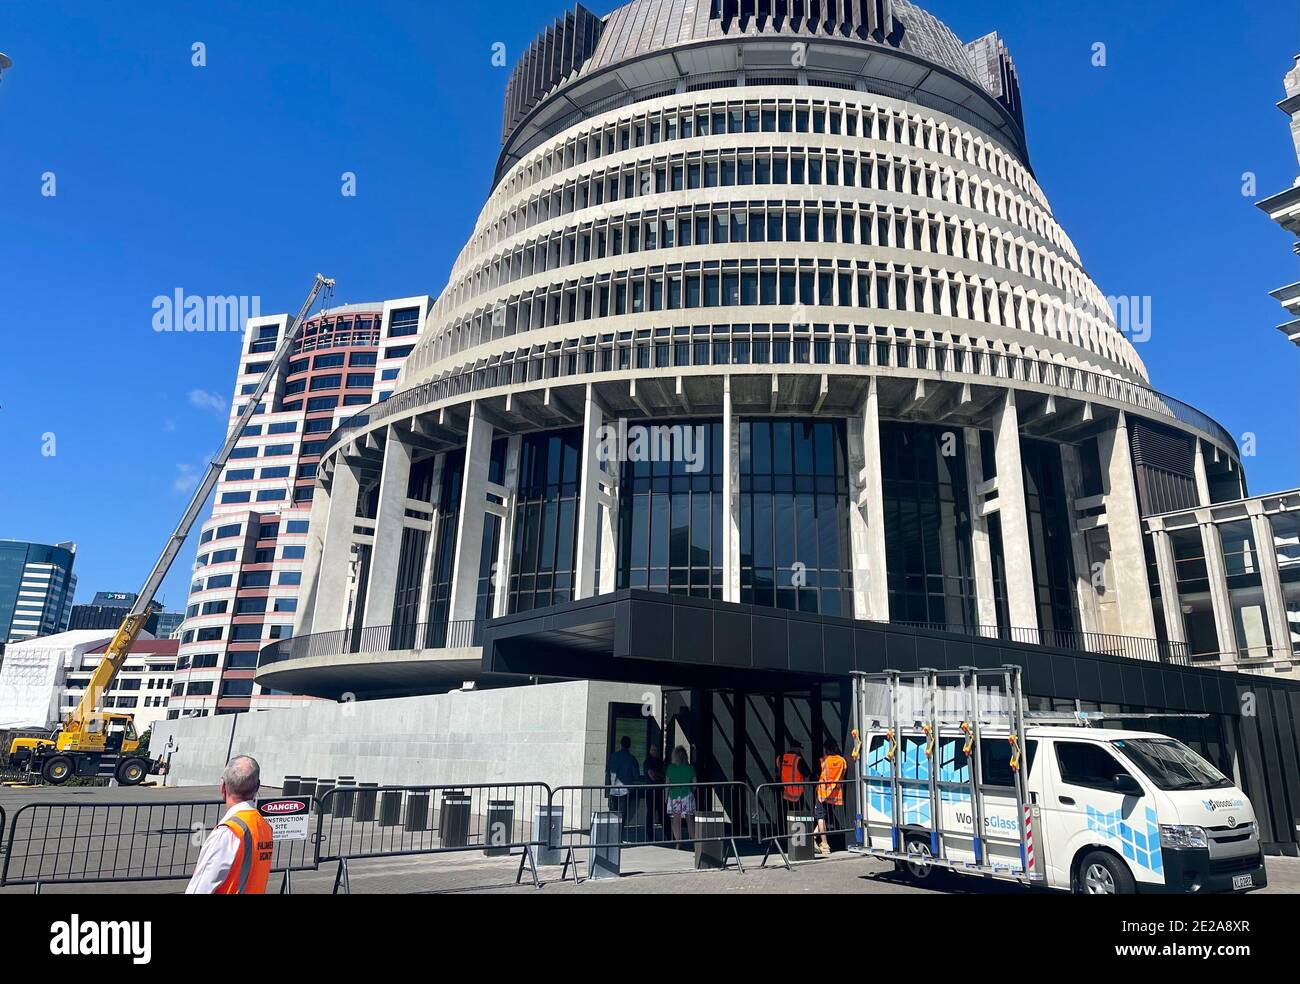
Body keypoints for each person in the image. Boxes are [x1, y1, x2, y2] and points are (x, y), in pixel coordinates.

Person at [186, 755, 274, 894]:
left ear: (223, 786)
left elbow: (200, 889)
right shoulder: (264, 826)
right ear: (257, 786)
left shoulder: (228, 832)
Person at [814, 738, 848, 857]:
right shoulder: (842, 761)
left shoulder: (823, 760)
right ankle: (813, 837)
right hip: (835, 794)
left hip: (823, 793)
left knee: (820, 817)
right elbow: (844, 774)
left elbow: (818, 774)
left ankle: (824, 844)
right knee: (825, 816)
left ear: (826, 749)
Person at [606, 735, 640, 830]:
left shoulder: (613, 756)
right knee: (623, 815)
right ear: (629, 745)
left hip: (613, 790)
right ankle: (619, 836)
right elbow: (636, 775)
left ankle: (612, 836)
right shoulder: (632, 759)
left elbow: (608, 771)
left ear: (621, 744)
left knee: (613, 815)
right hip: (625, 791)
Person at [665, 746, 696, 844]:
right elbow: (695, 784)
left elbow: (667, 784)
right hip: (687, 795)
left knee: (676, 820)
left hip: (674, 796)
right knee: (690, 820)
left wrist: (666, 797)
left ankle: (678, 843)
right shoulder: (690, 768)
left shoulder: (671, 768)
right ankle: (695, 841)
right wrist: (691, 791)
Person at [777, 740, 813, 810]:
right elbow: (807, 774)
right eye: (799, 749)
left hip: (784, 793)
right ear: (796, 748)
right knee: (797, 817)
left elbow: (779, 773)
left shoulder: (780, 758)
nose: (799, 750)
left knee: (786, 815)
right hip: (797, 795)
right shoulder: (798, 760)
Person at [642, 744, 666, 841]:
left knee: (662, 813)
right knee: (651, 813)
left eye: (655, 750)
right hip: (651, 791)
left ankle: (667, 834)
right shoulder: (648, 762)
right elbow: (652, 775)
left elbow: (663, 775)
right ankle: (650, 835)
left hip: (660, 790)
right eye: (653, 750)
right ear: (650, 751)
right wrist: (661, 776)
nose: (654, 751)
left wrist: (659, 776)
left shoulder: (660, 762)